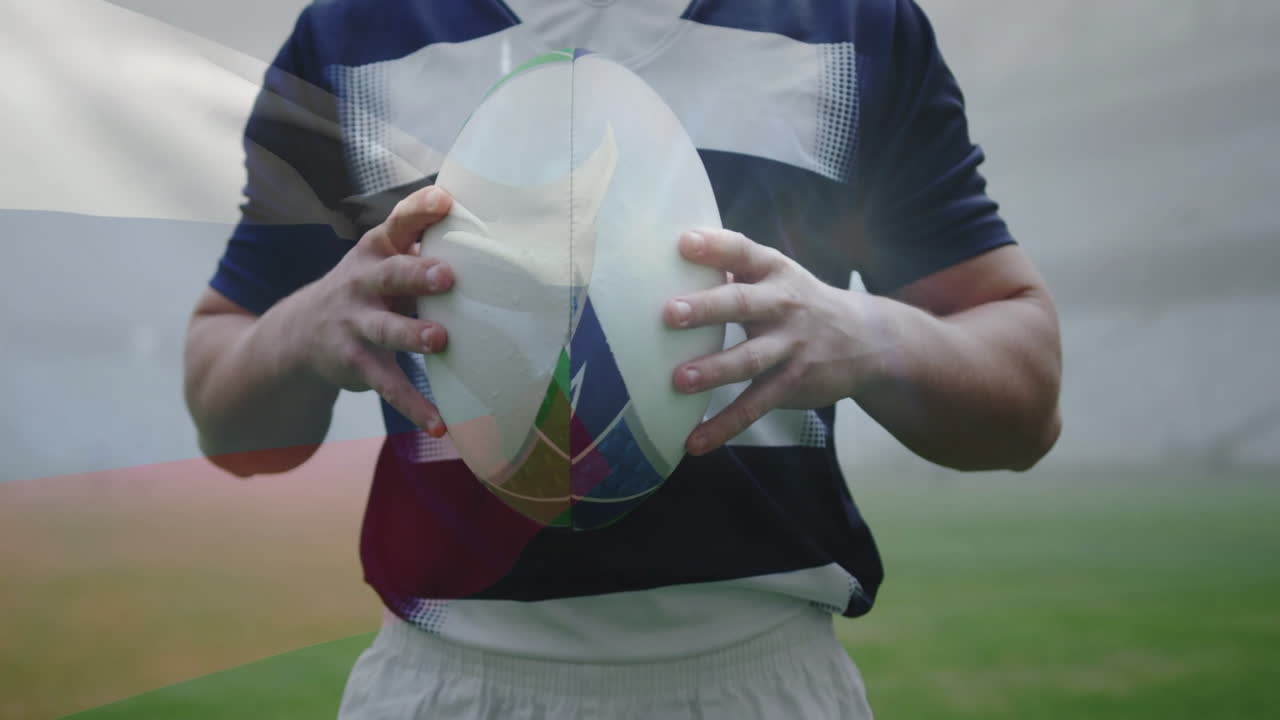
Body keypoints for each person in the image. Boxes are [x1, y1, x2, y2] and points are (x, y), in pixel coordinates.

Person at [183, 0, 1062, 717]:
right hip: (445, 685)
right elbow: (226, 409)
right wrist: (301, 328)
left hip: (761, 685)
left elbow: (1026, 401)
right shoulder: (351, 36)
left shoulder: (848, 25)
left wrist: (867, 334)